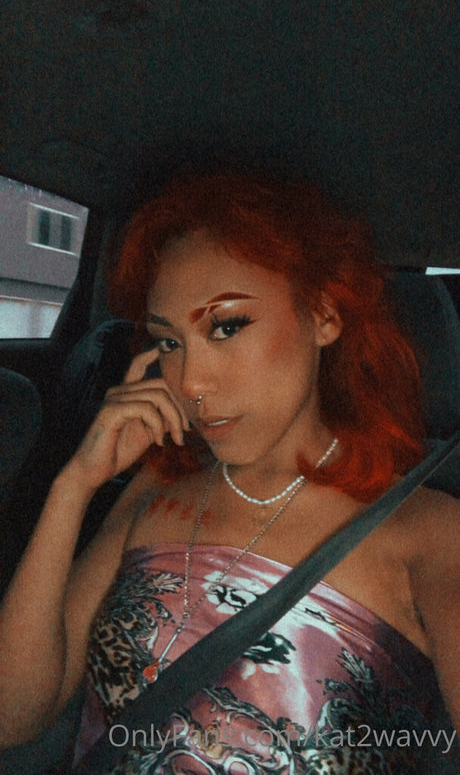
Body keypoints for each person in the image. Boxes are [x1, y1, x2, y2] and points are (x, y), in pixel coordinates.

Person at [0, 171, 459, 773]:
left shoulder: (428, 532)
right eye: (169, 343)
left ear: (323, 313)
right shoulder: (154, 488)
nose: (191, 383)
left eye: (227, 326)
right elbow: (13, 719)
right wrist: (73, 487)